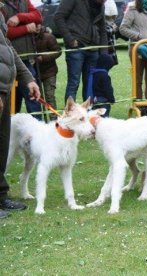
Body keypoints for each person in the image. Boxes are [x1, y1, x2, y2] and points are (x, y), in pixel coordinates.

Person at [0, 11, 41, 219]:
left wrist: (28, 78)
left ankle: (1, 195)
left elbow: (7, 49)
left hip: (5, 86)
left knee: (2, 145)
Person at [54, 0, 108, 103]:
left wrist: (104, 53)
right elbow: (58, 17)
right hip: (76, 48)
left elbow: (103, 30)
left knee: (90, 85)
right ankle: (70, 114)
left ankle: (88, 114)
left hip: (93, 49)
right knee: (73, 83)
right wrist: (70, 39)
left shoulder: (100, 5)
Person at [1, 0, 42, 120]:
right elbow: (5, 34)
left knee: (33, 99)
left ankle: (37, 128)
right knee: (12, 102)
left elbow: (38, 16)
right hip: (6, 63)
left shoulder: (24, 1)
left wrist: (19, 17)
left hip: (23, 60)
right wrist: (26, 28)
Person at [120, 0, 147, 100]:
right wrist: (139, 36)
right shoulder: (132, 7)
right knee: (137, 79)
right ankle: (139, 106)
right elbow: (123, 28)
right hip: (137, 48)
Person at [34, 25, 61, 121]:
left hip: (49, 72)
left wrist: (43, 57)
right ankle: (41, 121)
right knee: (37, 99)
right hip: (35, 73)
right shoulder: (28, 39)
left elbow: (58, 51)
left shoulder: (48, 37)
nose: (36, 27)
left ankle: (54, 121)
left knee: (49, 97)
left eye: (38, 24)